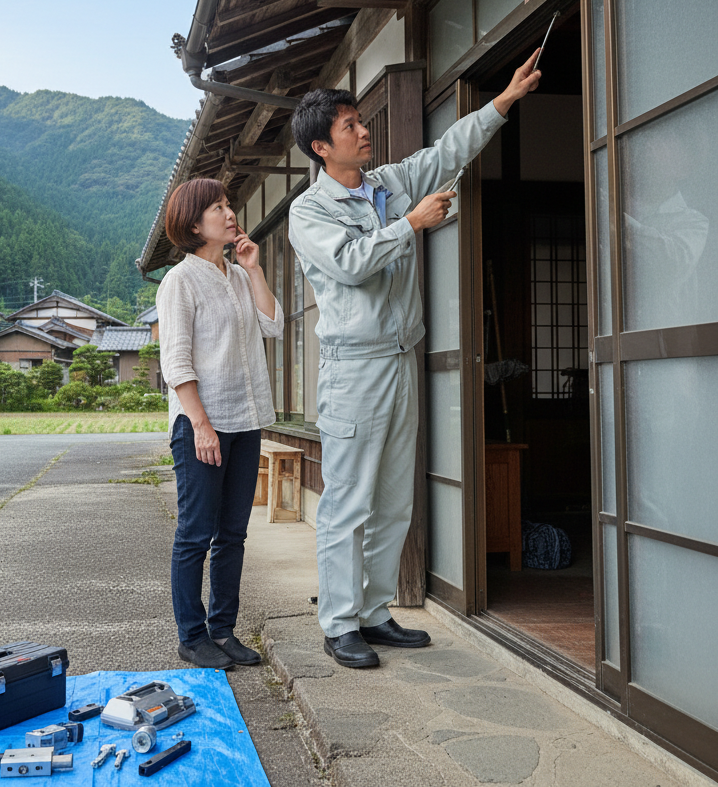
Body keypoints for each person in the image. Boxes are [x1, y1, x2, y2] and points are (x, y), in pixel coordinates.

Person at [288, 51, 542, 668]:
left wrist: (504, 101)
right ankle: (339, 622)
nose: (363, 130)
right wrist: (410, 225)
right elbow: (349, 264)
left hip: (401, 359)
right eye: (350, 125)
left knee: (395, 497)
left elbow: (448, 152)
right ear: (322, 147)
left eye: (360, 121)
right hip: (355, 367)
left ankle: (374, 613)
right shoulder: (308, 211)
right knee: (349, 498)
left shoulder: (388, 181)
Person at [157, 177, 283, 670]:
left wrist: (252, 270)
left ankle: (223, 631)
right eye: (217, 207)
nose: (229, 213)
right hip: (201, 425)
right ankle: (191, 636)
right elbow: (177, 363)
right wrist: (202, 426)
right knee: (195, 533)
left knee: (233, 533)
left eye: (229, 204)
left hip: (246, 419)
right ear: (193, 223)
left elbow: (273, 324)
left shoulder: (235, 274)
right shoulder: (179, 281)